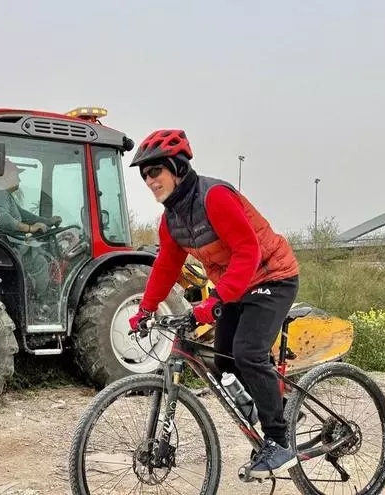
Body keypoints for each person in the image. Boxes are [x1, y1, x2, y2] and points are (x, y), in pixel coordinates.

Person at [126, 129, 300, 479]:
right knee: (223, 363)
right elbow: (166, 266)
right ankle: (274, 408)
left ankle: (279, 442)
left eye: (154, 171)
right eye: (144, 175)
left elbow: (248, 251)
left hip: (272, 276)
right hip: (236, 286)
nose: (149, 181)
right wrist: (145, 309)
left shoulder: (214, 197)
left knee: (248, 352)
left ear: (176, 167)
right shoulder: (172, 218)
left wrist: (216, 299)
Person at [0, 159, 62, 316]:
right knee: (41, 262)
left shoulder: (4, 195)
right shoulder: (0, 194)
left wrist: (47, 221)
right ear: (6, 176)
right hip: (12, 249)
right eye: (16, 175)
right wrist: (29, 228)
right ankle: (41, 303)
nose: (19, 179)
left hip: (11, 246)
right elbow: (1, 217)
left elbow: (24, 215)